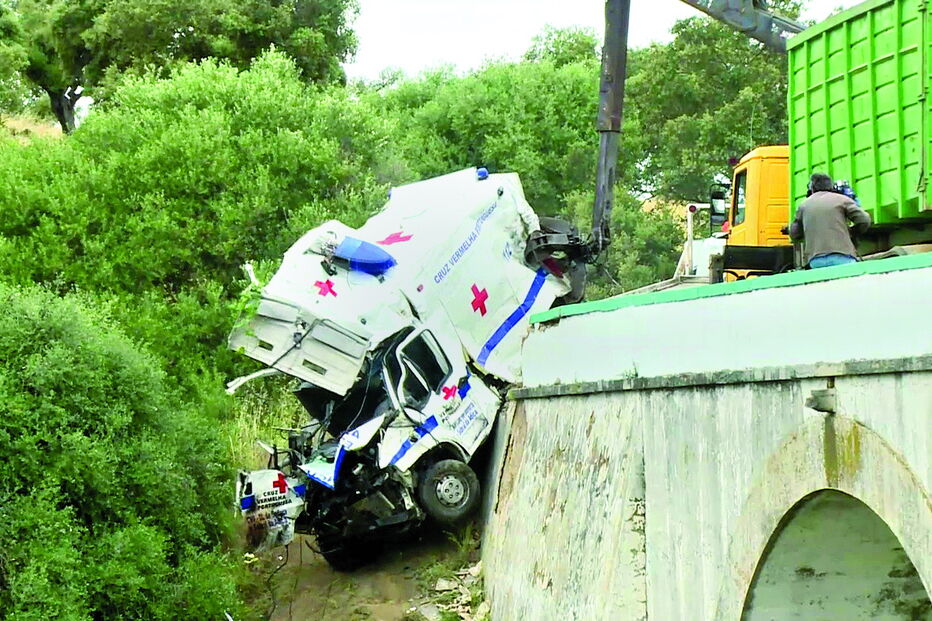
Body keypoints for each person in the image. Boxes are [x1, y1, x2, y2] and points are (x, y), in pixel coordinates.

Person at [788, 173, 872, 268]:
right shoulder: (842, 200)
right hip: (842, 255)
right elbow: (864, 220)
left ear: (812, 187)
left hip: (815, 259)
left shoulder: (803, 205)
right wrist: (852, 232)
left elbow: (794, 234)